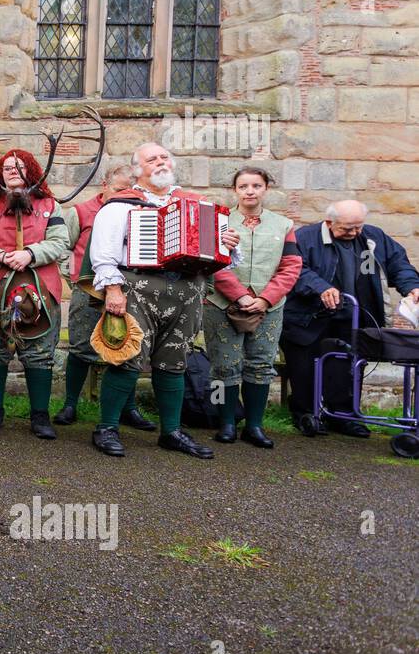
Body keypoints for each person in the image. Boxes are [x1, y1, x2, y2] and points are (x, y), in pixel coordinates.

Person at [86, 143, 240, 459]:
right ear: (136, 170)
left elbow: (218, 256)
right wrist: (113, 291)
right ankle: (106, 427)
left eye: (164, 157)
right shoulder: (121, 205)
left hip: (187, 294)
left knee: (175, 362)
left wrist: (226, 243)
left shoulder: (195, 203)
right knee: (126, 355)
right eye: (151, 158)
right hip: (137, 291)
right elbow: (103, 253)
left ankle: (171, 432)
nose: (160, 162)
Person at [281, 199, 419, 437]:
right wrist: (320, 288)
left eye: (358, 227)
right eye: (346, 228)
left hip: (354, 316)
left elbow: (398, 264)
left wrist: (413, 287)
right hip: (308, 317)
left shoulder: (374, 237)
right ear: (329, 222)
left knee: (346, 367)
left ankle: (344, 416)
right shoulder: (305, 237)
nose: (354, 232)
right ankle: (306, 413)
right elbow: (295, 270)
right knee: (304, 365)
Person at [0, 149, 68, 440]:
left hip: (40, 287)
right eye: (7, 167)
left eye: (20, 166)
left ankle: (40, 415)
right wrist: (1, 256)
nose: (13, 171)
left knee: (39, 352)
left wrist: (29, 254)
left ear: (33, 172)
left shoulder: (51, 206)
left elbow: (60, 242)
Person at [203, 167, 301, 447]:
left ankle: (255, 426)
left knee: (261, 364)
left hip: (267, 307)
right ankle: (226, 423)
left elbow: (291, 266)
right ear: (235, 190)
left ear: (265, 189)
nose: (250, 191)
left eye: (256, 186)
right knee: (223, 366)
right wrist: (239, 295)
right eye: (243, 186)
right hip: (221, 304)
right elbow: (212, 262)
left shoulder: (283, 225)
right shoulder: (218, 220)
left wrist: (265, 298)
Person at [55, 164, 157, 431]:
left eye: (131, 189)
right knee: (79, 346)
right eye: (120, 189)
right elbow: (65, 248)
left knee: (127, 348)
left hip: (128, 290)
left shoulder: (142, 211)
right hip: (89, 288)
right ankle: (70, 404)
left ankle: (128, 408)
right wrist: (75, 279)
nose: (126, 194)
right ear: (105, 185)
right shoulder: (81, 212)